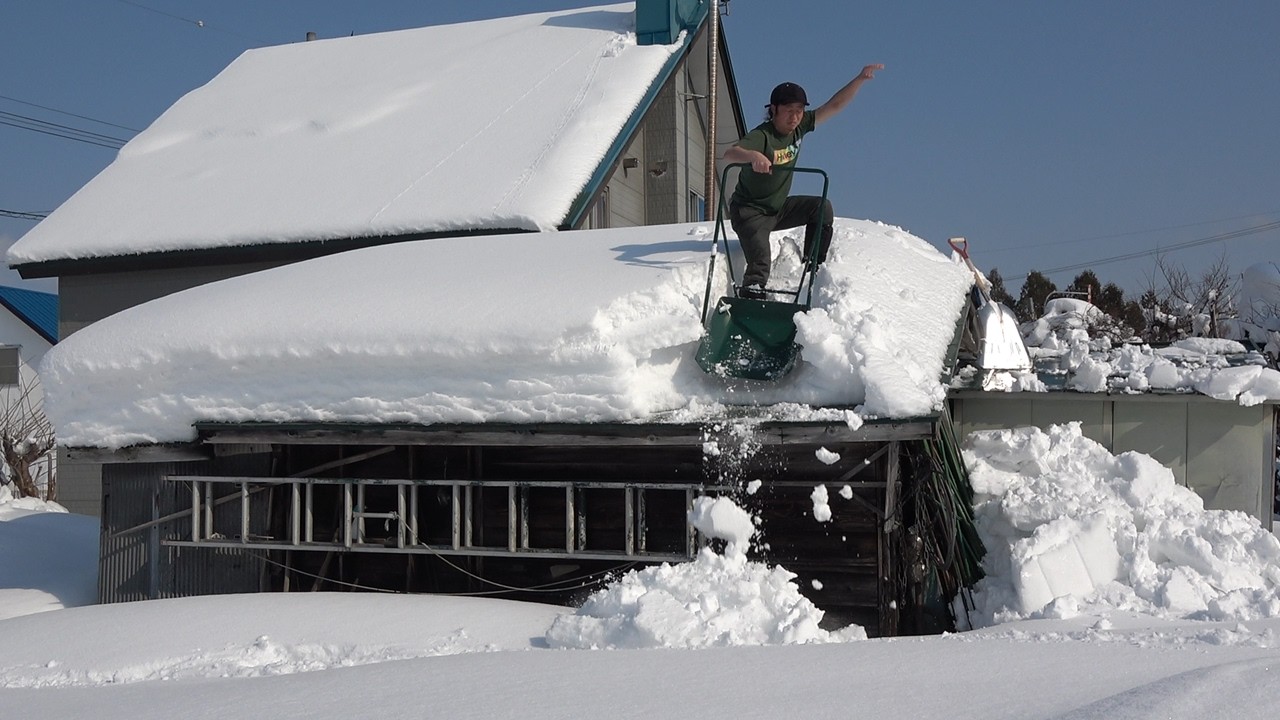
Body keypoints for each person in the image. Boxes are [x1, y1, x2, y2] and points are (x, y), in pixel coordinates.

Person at [723, 64, 884, 299]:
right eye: (789, 110)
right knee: (760, 261)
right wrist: (753, 156)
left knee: (821, 207)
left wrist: (859, 79)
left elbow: (834, 105)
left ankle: (812, 268)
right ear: (774, 110)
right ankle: (751, 298)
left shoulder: (800, 128)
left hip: (777, 209)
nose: (795, 116)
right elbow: (730, 154)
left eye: (799, 110)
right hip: (749, 212)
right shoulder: (762, 135)